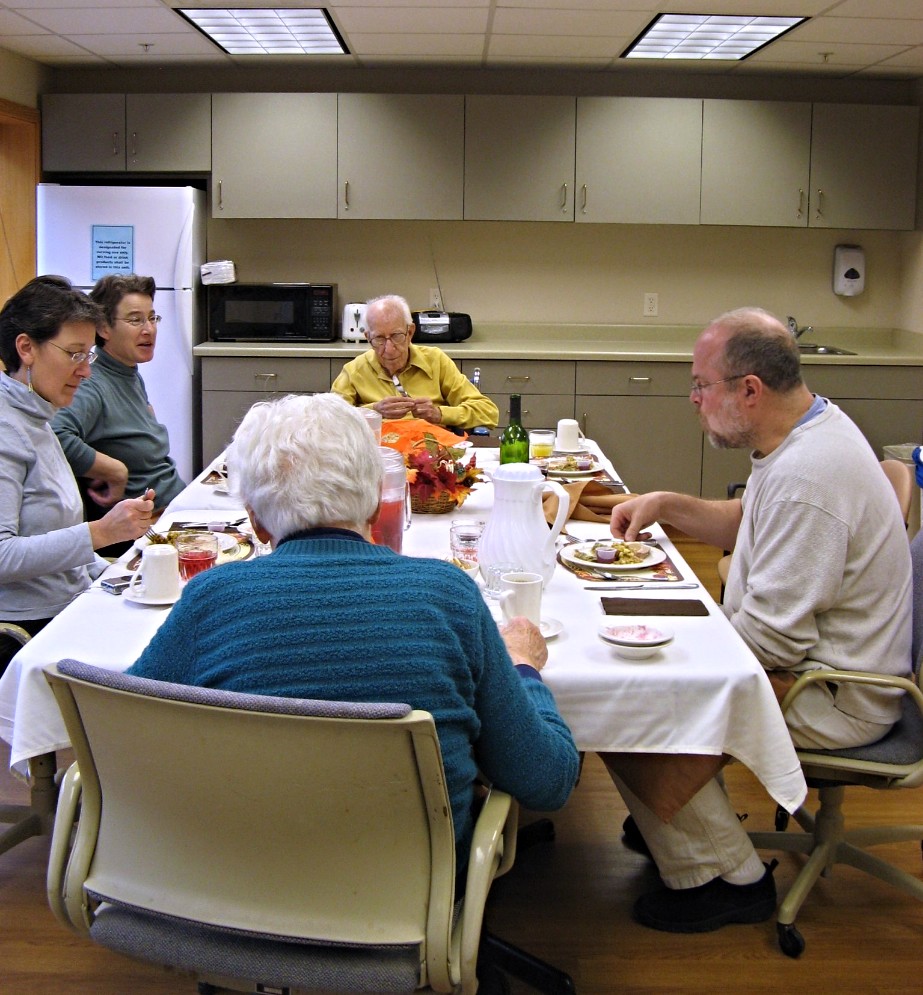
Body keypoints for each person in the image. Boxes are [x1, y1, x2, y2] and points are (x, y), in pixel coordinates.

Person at [128, 392, 578, 872]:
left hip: (242, 889)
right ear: (373, 503)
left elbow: (126, 738)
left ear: (256, 523)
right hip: (414, 901)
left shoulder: (210, 598)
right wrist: (525, 667)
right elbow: (546, 779)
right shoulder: (447, 595)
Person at [608, 306, 913, 934]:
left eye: (702, 386)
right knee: (640, 667)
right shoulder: (807, 430)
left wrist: (660, 635)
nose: (693, 400)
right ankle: (679, 827)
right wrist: (666, 505)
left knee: (627, 691)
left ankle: (726, 877)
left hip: (833, 692)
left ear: (750, 390)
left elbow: (772, 642)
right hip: (816, 663)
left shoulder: (810, 475)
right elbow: (749, 521)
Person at [0, 275, 156, 641]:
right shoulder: (7, 429)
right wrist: (102, 532)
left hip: (69, 604)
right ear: (26, 348)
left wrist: (122, 575)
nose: (86, 370)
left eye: (88, 355)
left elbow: (64, 551)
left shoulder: (38, 417)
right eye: (74, 354)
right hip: (30, 628)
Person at [52, 274, 185, 518]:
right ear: (103, 328)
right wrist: (115, 470)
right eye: (136, 320)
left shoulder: (128, 372)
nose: (149, 329)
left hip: (173, 508)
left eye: (152, 318)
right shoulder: (91, 383)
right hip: (148, 526)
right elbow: (55, 436)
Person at [331, 294, 499, 430]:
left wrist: (439, 414)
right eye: (379, 339)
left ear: (410, 332)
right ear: (368, 338)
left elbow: (488, 412)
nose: (389, 349)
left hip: (432, 455)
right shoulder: (355, 370)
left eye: (397, 336)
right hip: (379, 456)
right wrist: (374, 412)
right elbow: (329, 420)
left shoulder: (436, 361)